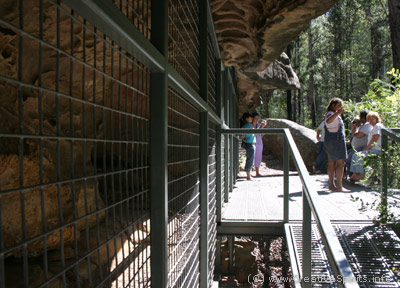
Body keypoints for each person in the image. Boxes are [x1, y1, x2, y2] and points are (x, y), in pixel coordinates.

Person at [324, 98, 351, 192]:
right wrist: (337, 113)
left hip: (331, 140)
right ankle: (339, 186)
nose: (340, 107)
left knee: (332, 163)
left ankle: (332, 185)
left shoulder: (332, 114)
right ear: (333, 105)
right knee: (340, 163)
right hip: (337, 141)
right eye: (339, 105)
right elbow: (328, 121)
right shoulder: (331, 114)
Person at [349, 112, 384, 182]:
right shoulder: (373, 127)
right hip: (372, 149)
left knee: (359, 155)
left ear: (377, 119)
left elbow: (374, 140)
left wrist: (365, 148)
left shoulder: (378, 126)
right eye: (369, 119)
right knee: (355, 154)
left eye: (372, 119)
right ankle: (355, 173)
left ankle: (361, 174)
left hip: (377, 150)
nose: (370, 121)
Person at [345, 111, 372, 178]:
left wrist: (354, 131)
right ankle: (349, 174)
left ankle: (353, 175)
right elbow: (354, 134)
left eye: (360, 117)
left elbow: (359, 135)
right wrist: (354, 127)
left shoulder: (367, 125)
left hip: (363, 147)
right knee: (346, 155)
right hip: (356, 147)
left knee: (350, 156)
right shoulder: (362, 125)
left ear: (363, 118)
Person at [240, 112, 255, 180]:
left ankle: (249, 174)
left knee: (250, 159)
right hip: (250, 144)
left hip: (248, 144)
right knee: (250, 159)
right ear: (247, 118)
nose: (252, 118)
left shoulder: (245, 125)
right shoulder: (248, 125)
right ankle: (248, 176)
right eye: (250, 117)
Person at [252, 112, 266, 177]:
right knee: (252, 157)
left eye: (258, 118)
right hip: (252, 143)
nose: (257, 120)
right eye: (255, 118)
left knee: (258, 158)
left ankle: (257, 172)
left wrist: (263, 126)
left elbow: (262, 135)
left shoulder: (260, 125)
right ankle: (250, 172)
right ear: (252, 118)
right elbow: (254, 134)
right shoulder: (250, 126)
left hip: (259, 143)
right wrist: (260, 127)